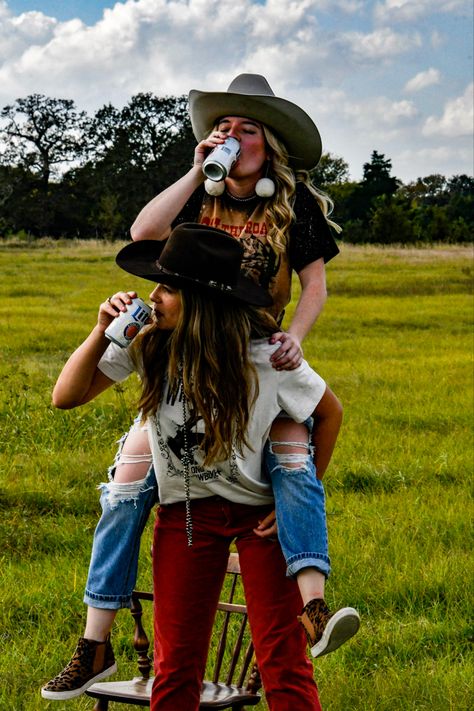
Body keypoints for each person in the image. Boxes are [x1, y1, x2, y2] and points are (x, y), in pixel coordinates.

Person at [41, 74, 351, 700]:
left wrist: (294, 338)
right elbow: (142, 233)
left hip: (259, 350)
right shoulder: (156, 334)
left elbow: (317, 310)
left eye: (247, 128)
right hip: (188, 511)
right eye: (223, 126)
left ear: (272, 144)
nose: (232, 137)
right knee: (128, 484)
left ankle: (311, 592)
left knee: (291, 458)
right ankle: (94, 639)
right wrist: (102, 333)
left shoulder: (292, 208)